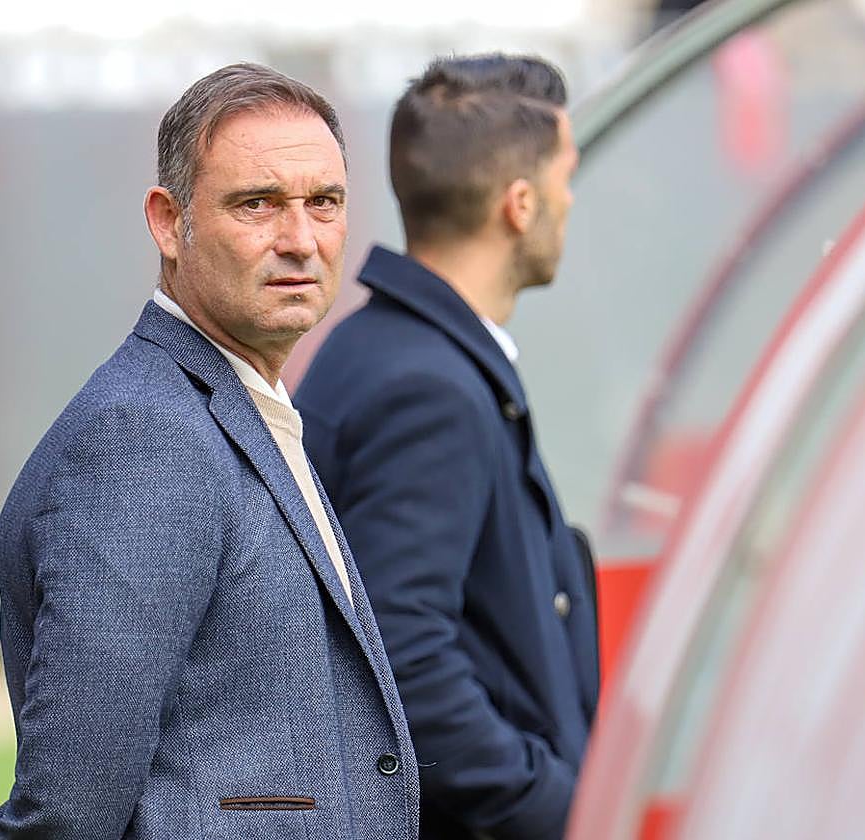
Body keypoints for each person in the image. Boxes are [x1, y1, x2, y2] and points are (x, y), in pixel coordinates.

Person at [0, 63, 419, 840]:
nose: (300, 241)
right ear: (168, 222)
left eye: (323, 202)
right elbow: (67, 814)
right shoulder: (143, 442)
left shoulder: (235, 408)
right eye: (257, 204)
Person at [296, 54, 599, 840]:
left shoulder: (379, 349)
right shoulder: (428, 389)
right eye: (565, 178)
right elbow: (404, 662)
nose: (571, 200)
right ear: (520, 204)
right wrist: (558, 808)